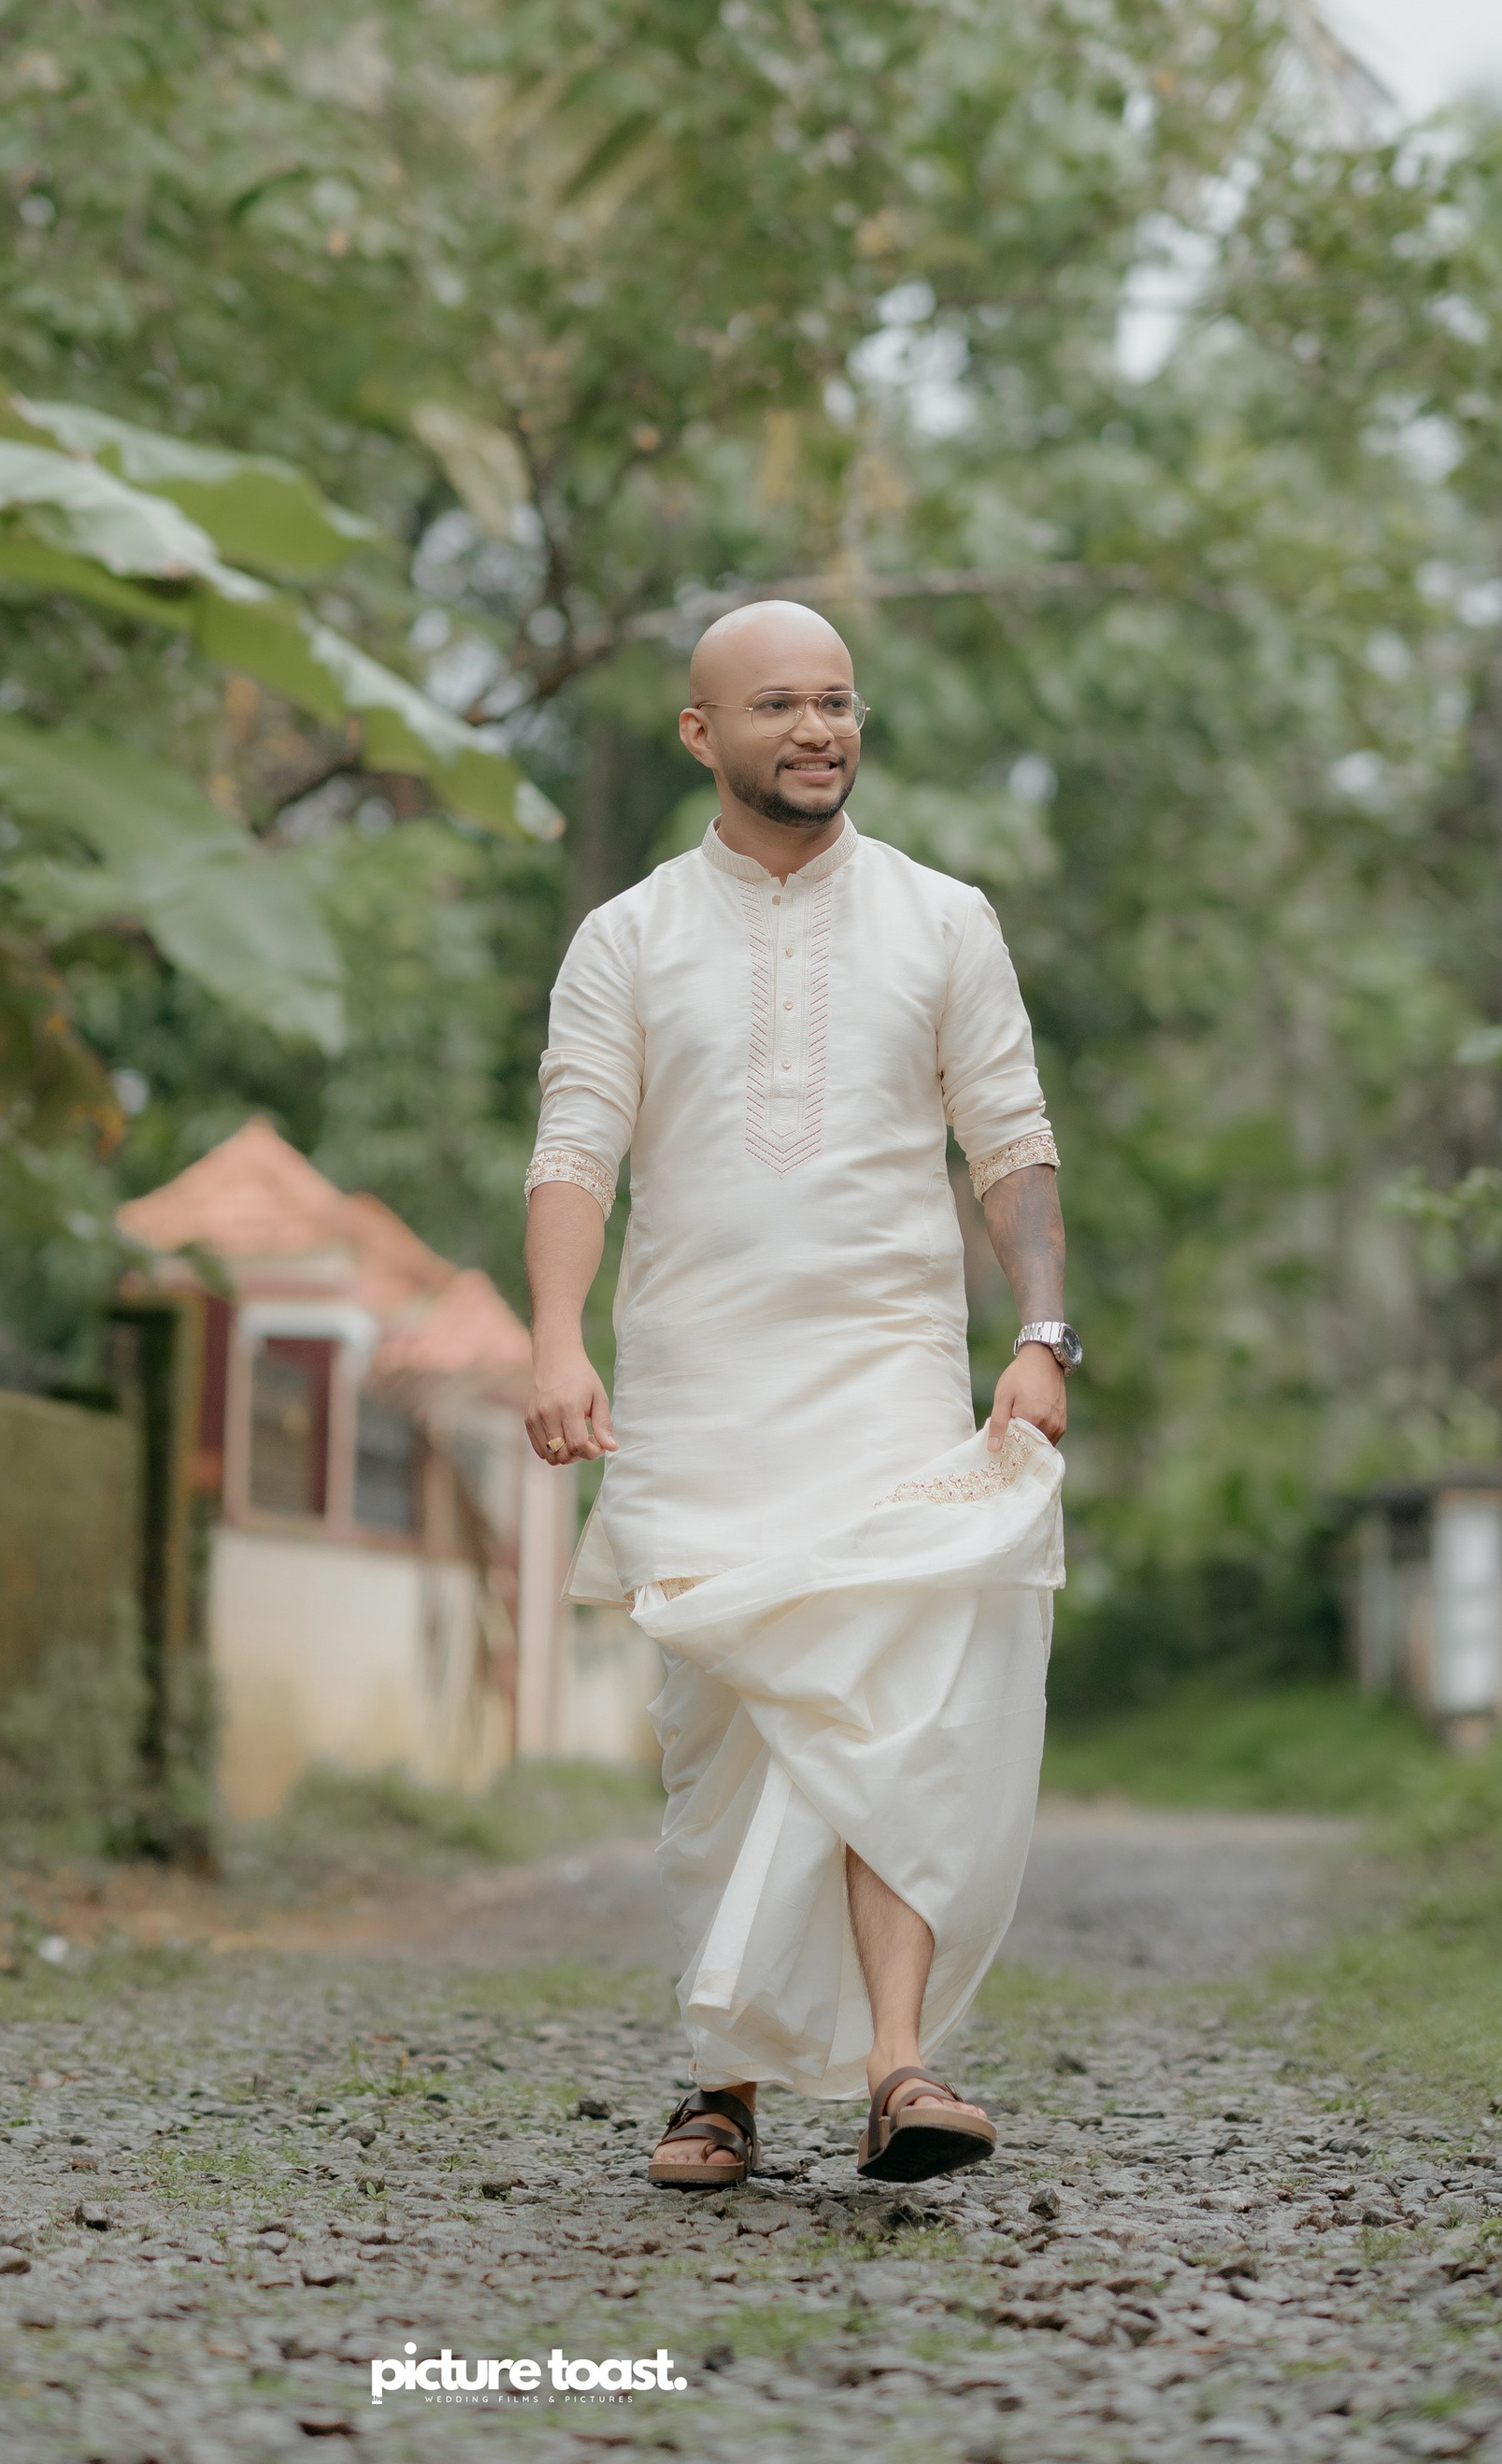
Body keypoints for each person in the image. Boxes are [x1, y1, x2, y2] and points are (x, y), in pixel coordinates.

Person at [522, 600, 1076, 2191]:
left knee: (889, 1714)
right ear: (702, 733)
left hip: (890, 1383)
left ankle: (904, 2072)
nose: (819, 731)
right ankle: (725, 2082)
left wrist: (1045, 1333)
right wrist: (559, 1339)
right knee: (725, 1739)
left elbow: (1012, 1144)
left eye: (838, 703)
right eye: (780, 705)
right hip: (696, 1392)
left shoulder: (944, 918)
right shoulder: (626, 936)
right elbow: (576, 1151)